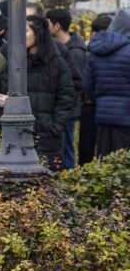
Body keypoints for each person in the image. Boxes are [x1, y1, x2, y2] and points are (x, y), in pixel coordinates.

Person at [1, 16, 76, 171]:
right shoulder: (14, 61)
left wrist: (55, 127)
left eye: (26, 31)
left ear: (38, 33)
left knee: (47, 184)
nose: (20, 36)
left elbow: (67, 97)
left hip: (47, 137)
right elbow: (1, 93)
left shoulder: (56, 63)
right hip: (16, 135)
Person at [84, 9, 130, 158]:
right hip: (126, 116)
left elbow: (88, 86)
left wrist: (102, 102)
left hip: (103, 115)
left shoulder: (95, 49)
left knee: (105, 159)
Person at [46, 9, 88, 169]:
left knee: (66, 149)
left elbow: (76, 84)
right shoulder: (57, 47)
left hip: (68, 110)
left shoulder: (76, 51)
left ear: (56, 26)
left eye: (48, 23)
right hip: (58, 109)